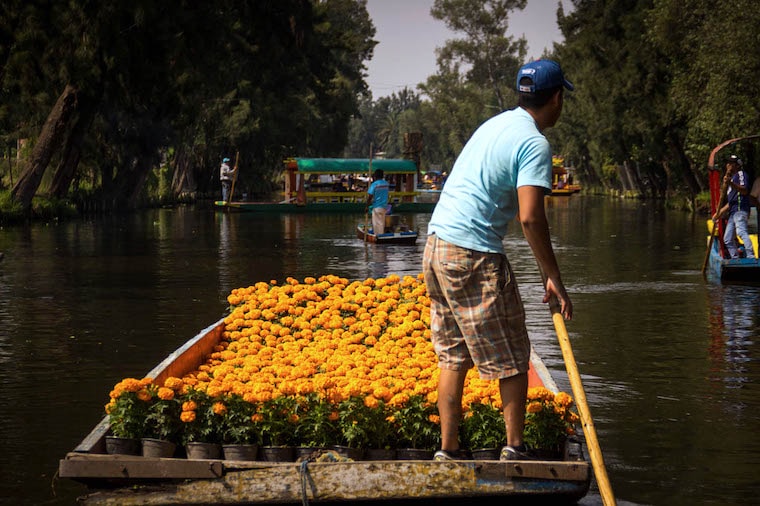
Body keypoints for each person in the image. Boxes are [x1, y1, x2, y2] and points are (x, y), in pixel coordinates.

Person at [422, 59, 574, 462]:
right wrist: (552, 276)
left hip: (436, 245)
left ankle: (449, 450)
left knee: (454, 355)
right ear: (556, 98)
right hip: (472, 252)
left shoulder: (495, 124)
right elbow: (530, 216)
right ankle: (515, 449)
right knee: (512, 356)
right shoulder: (534, 143)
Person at [712, 155, 755, 259]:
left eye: (731, 164)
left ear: (736, 165)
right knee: (727, 239)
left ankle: (751, 256)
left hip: (740, 210)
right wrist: (719, 213)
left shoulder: (741, 174)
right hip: (733, 212)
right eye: (728, 163)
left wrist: (730, 183)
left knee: (741, 231)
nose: (728, 165)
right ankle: (735, 258)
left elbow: (744, 190)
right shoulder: (731, 179)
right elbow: (731, 202)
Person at [367, 168, 390, 234]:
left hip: (377, 206)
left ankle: (378, 236)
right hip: (384, 206)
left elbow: (370, 196)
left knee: (376, 224)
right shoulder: (386, 184)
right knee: (381, 223)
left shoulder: (374, 184)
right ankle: (381, 234)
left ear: (375, 176)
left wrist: (367, 206)